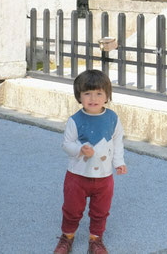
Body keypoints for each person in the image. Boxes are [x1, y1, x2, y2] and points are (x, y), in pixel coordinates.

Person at [53, 70, 127, 254]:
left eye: (99, 93)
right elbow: (66, 144)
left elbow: (118, 141)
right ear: (79, 96)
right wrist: (79, 149)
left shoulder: (113, 118)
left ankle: (95, 239)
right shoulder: (75, 120)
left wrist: (119, 162)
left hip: (103, 176)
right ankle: (67, 237)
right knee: (72, 208)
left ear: (107, 96)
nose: (93, 98)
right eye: (87, 93)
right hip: (77, 175)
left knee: (101, 210)